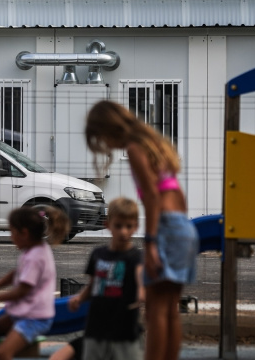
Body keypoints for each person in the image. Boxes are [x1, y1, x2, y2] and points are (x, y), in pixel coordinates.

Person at [85, 100, 198, 360]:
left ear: (109, 128)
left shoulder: (135, 148)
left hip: (167, 228)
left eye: (101, 137)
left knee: (155, 310)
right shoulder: (153, 144)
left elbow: (152, 195)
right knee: (170, 309)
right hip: (183, 227)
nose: (104, 144)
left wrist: (150, 242)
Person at [0, 206, 70, 360]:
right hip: (23, 313)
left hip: (34, 318)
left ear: (24, 233)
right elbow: (16, 273)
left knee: (3, 354)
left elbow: (22, 291)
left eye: (12, 232)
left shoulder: (35, 257)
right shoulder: (33, 249)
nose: (11, 237)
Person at [68, 197, 144, 360]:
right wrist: (79, 298)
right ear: (108, 225)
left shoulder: (136, 257)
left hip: (124, 331)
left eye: (128, 226)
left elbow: (140, 276)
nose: (123, 231)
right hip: (96, 328)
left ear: (136, 227)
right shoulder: (98, 254)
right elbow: (93, 284)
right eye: (118, 226)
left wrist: (142, 291)